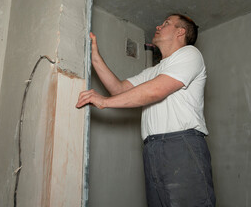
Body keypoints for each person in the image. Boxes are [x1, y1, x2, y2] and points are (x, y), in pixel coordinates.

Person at [76, 14, 215, 207]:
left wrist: (105, 102)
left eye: (166, 23)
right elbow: (119, 89)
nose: (158, 25)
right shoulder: (152, 71)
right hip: (152, 148)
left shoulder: (190, 54)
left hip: (181, 144)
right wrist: (95, 58)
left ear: (180, 32)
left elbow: (156, 90)